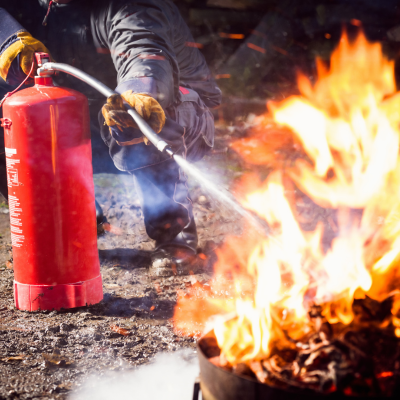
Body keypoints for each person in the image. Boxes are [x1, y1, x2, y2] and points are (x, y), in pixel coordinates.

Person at [0, 0, 221, 276]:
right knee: (11, 110)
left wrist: (140, 90)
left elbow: (144, 50)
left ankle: (174, 234)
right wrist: (6, 37)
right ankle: (74, 221)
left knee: (136, 112)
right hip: (80, 113)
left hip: (178, 109)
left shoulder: (130, 6)